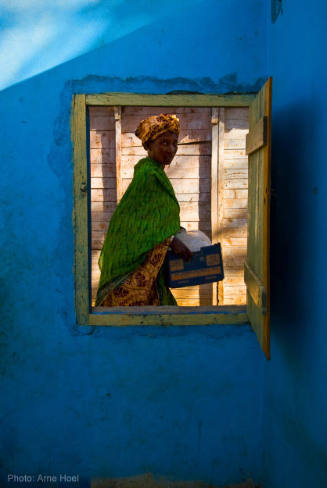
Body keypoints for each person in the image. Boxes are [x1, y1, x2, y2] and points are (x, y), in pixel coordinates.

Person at [95, 113, 192, 307]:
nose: (171, 149)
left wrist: (176, 234)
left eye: (174, 143)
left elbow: (153, 218)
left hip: (145, 263)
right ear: (149, 145)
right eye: (164, 143)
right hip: (132, 265)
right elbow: (137, 225)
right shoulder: (148, 175)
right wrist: (171, 241)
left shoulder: (154, 172)